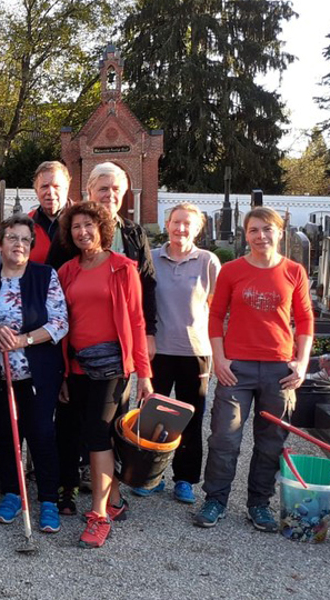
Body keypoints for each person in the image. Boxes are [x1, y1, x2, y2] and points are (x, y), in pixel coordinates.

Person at [194, 207, 313, 532]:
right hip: (237, 368)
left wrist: (301, 363)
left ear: (279, 231)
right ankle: (215, 499)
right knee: (225, 438)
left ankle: (258, 503)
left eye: (267, 229)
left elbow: (304, 320)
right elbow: (216, 316)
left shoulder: (294, 271)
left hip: (280, 369)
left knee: (271, 440)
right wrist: (219, 358)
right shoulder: (232, 271)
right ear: (246, 235)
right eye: (254, 230)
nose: (261, 236)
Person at [52, 162, 157, 508]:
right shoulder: (67, 271)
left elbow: (137, 322)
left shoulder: (123, 269)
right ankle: (113, 500)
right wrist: (64, 371)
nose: (83, 231)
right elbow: (63, 322)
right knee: (81, 432)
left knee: (99, 433)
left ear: (103, 228)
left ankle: (99, 512)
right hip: (77, 365)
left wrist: (144, 374)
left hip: (112, 367)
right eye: (77, 226)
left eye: (89, 225)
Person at [130, 203, 220, 502]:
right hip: (157, 350)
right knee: (151, 415)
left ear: (197, 229)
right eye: (176, 222)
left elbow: (217, 308)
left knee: (190, 419)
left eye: (188, 224)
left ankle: (184, 478)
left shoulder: (208, 261)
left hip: (195, 351)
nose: (181, 228)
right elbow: (141, 303)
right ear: (167, 224)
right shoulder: (152, 258)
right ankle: (149, 475)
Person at [0, 215, 68, 534]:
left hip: (38, 372)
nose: (19, 244)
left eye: (25, 240)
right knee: (5, 433)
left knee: (41, 434)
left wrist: (25, 339)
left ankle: (48, 498)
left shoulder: (45, 276)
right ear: (0, 244)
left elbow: (60, 322)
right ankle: (11, 492)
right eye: (12, 238)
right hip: (1, 374)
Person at [29, 161, 71, 263]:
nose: (50, 192)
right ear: (36, 191)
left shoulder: (82, 220)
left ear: (67, 188)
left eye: (56, 186)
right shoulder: (26, 223)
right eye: (44, 186)